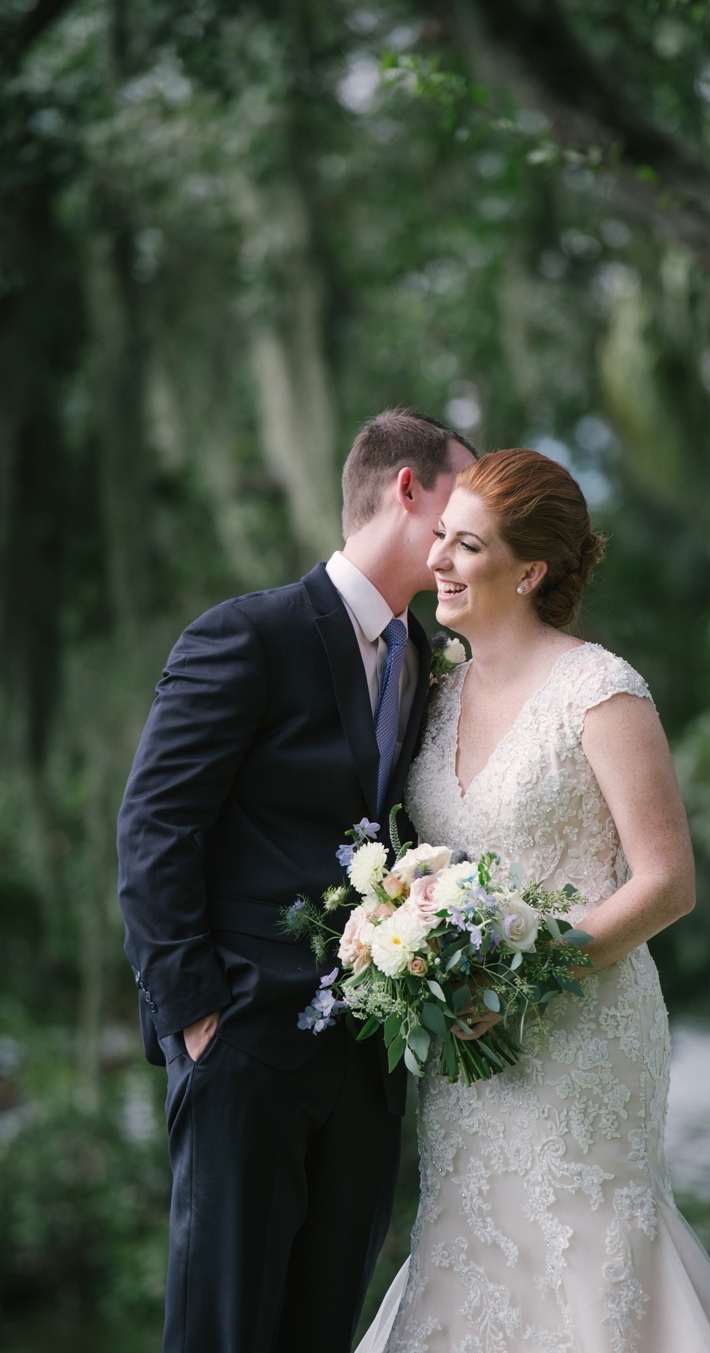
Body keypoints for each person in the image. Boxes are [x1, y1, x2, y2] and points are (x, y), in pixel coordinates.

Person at [357, 448, 710, 1353]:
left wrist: (526, 978)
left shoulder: (601, 689)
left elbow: (668, 881)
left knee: (587, 1257)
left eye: (465, 546)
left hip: (583, 1033)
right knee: (472, 1248)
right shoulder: (438, 689)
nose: (437, 562)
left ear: (530, 569)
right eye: (441, 540)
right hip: (465, 1047)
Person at [116, 409, 475, 1353]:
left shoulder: (427, 663)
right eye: (459, 499)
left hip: (365, 1061)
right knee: (223, 1329)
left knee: (322, 1330)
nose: (470, 526)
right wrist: (195, 1012)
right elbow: (155, 826)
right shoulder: (248, 634)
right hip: (242, 1045)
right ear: (408, 489)